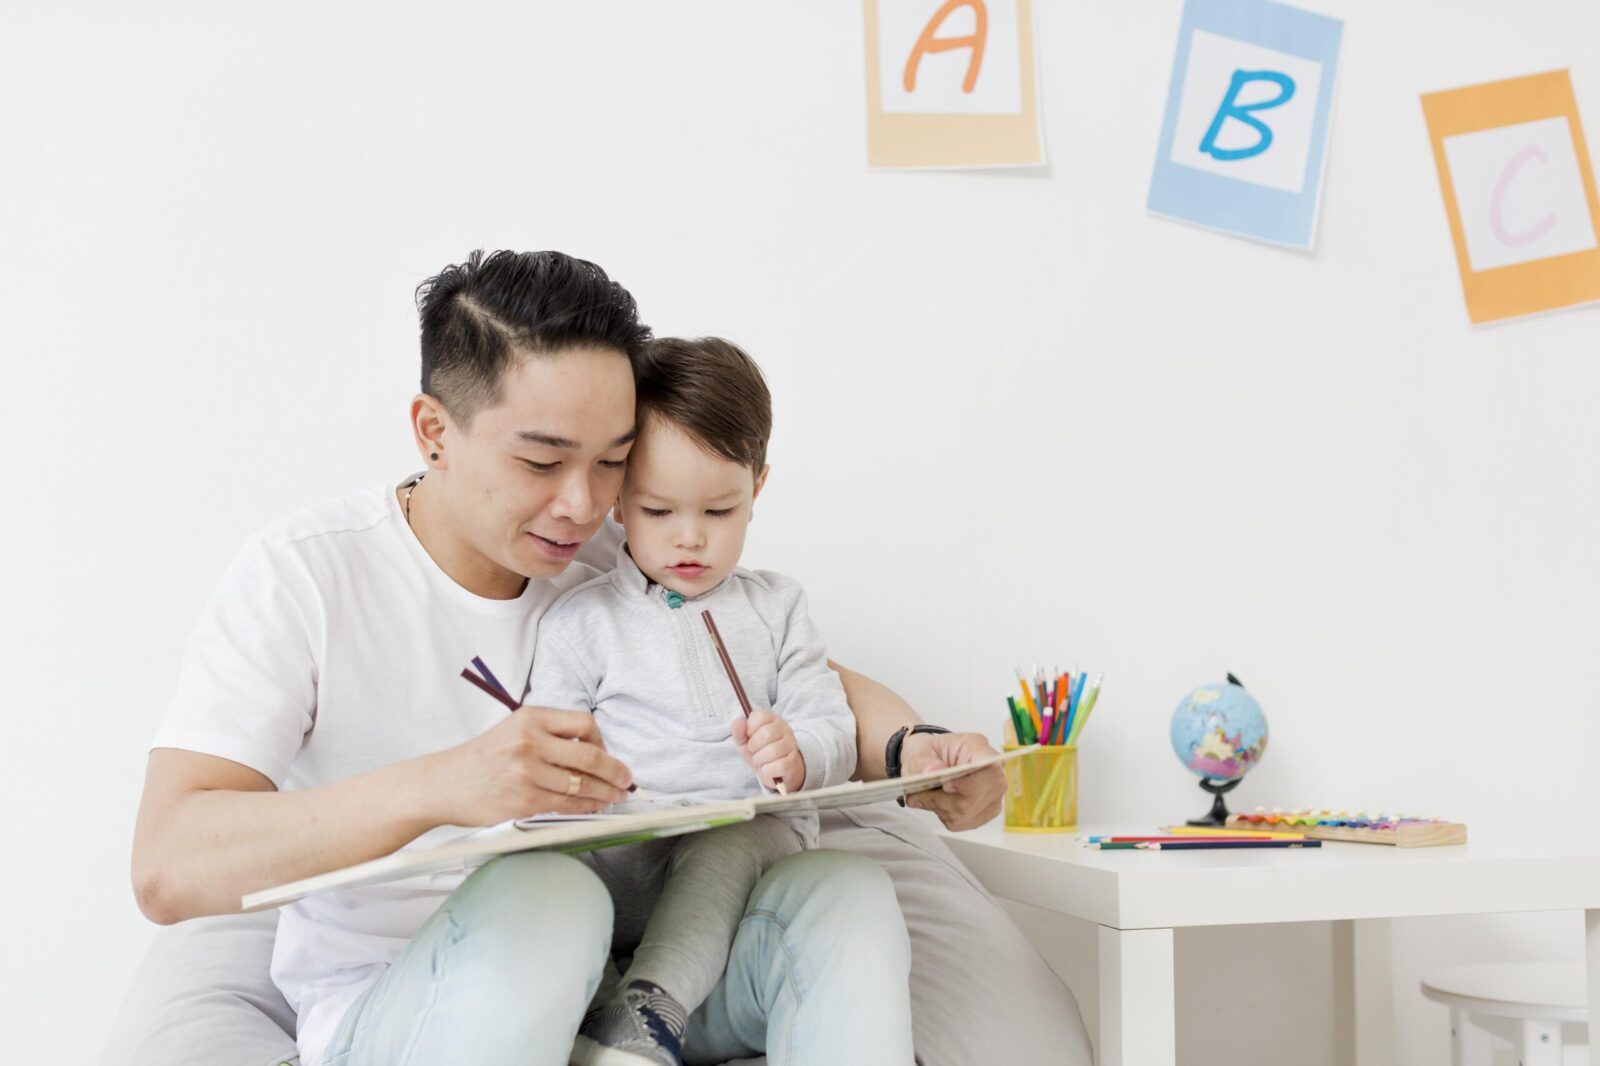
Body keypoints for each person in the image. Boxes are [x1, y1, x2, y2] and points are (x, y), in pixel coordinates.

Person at [132, 250, 914, 1066]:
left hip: (634, 984)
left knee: (845, 893)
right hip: (405, 998)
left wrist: (912, 743)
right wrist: (445, 785)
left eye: (612, 461)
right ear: (436, 432)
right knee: (553, 889)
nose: (581, 505)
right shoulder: (307, 575)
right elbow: (168, 864)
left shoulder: (623, 553)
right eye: (542, 461)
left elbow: (790, 669)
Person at [529, 336, 877, 1065]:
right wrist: (577, 778)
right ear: (620, 497)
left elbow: (833, 726)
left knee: (732, 838)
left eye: (720, 511)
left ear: (759, 485)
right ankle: (592, 1004)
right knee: (546, 867)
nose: (690, 539)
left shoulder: (779, 607)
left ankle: (650, 1009)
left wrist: (800, 752)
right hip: (626, 848)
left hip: (742, 848)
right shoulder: (579, 621)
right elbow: (548, 748)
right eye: (658, 511)